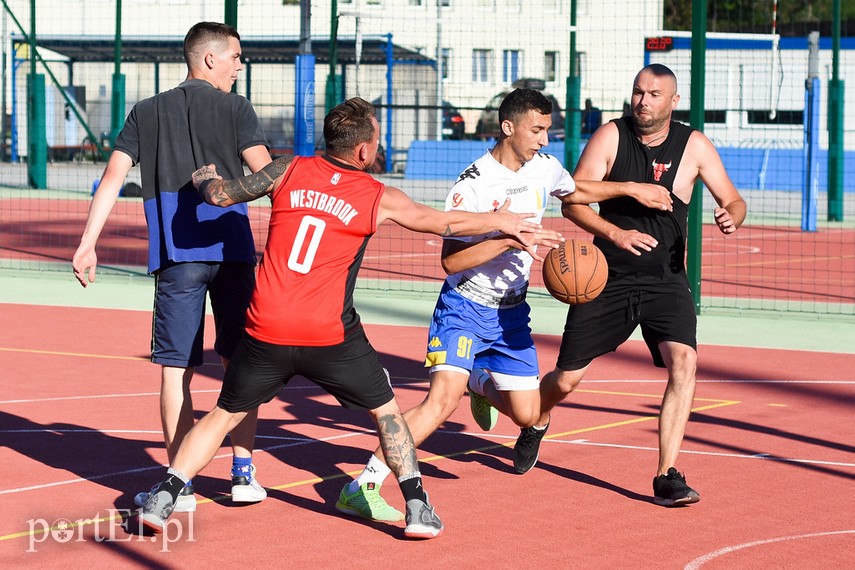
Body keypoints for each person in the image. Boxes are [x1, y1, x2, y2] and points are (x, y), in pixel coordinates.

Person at [137, 97, 549, 539]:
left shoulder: (286, 169)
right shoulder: (377, 195)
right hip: (329, 333)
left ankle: (165, 495)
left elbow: (220, 195)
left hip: (267, 328)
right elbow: (441, 223)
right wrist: (500, 222)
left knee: (221, 415)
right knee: (389, 414)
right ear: (363, 152)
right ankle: (417, 507)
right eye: (377, 138)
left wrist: (205, 179)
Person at [336, 88, 675, 522]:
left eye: (547, 130)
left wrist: (629, 190)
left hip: (511, 313)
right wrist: (507, 238)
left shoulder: (544, 168)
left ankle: (479, 382)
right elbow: (451, 261)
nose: (544, 140)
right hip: (464, 306)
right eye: (537, 130)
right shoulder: (473, 185)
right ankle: (362, 484)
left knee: (530, 414)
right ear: (508, 127)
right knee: (441, 402)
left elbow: (574, 188)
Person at [520, 64, 747, 506]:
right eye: (638, 93)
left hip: (667, 280)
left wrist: (730, 216)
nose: (643, 101)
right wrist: (618, 231)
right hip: (607, 277)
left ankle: (667, 474)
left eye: (654, 94)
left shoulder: (694, 145)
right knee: (566, 382)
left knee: (684, 364)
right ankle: (537, 420)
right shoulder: (611, 136)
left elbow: (733, 199)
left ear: (673, 101)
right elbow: (573, 201)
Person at [71, 22, 270, 512]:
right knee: (240, 364)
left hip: (176, 257)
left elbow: (112, 177)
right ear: (209, 59)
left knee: (174, 369)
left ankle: (180, 486)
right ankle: (243, 473)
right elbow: (267, 174)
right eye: (236, 57)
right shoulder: (236, 108)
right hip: (233, 252)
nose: (239, 67)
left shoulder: (146, 111)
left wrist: (87, 244)